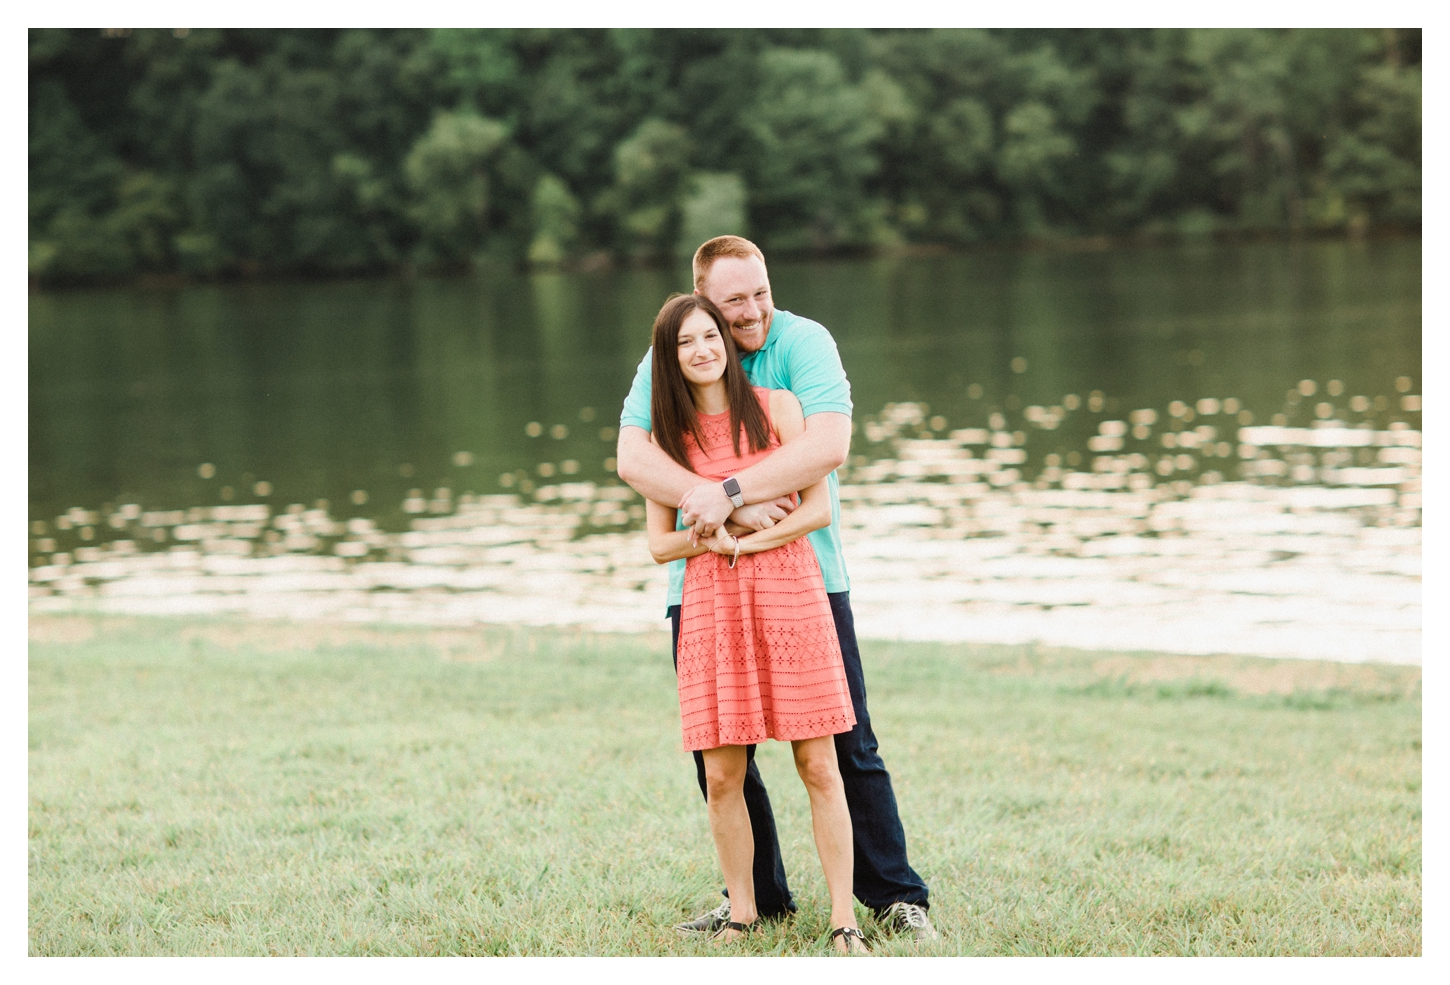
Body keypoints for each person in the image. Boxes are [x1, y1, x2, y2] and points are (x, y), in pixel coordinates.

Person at [617, 236, 937, 942]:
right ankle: (757, 902)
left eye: (760, 291)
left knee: (845, 744)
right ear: (703, 297)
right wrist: (721, 507)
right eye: (735, 301)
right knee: (724, 758)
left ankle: (892, 895)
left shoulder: (802, 343)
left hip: (806, 577)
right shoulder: (675, 347)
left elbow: (826, 448)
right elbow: (634, 454)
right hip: (701, 586)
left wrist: (727, 494)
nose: (754, 310)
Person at [644, 292, 868, 954]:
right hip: (711, 601)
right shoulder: (669, 440)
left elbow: (818, 510)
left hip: (789, 591)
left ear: (728, 341)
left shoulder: (777, 409)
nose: (702, 349)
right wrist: (723, 530)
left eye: (709, 335)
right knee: (721, 772)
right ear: (671, 357)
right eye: (685, 342)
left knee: (818, 761)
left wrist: (746, 537)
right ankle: (742, 910)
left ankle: (842, 918)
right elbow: (660, 544)